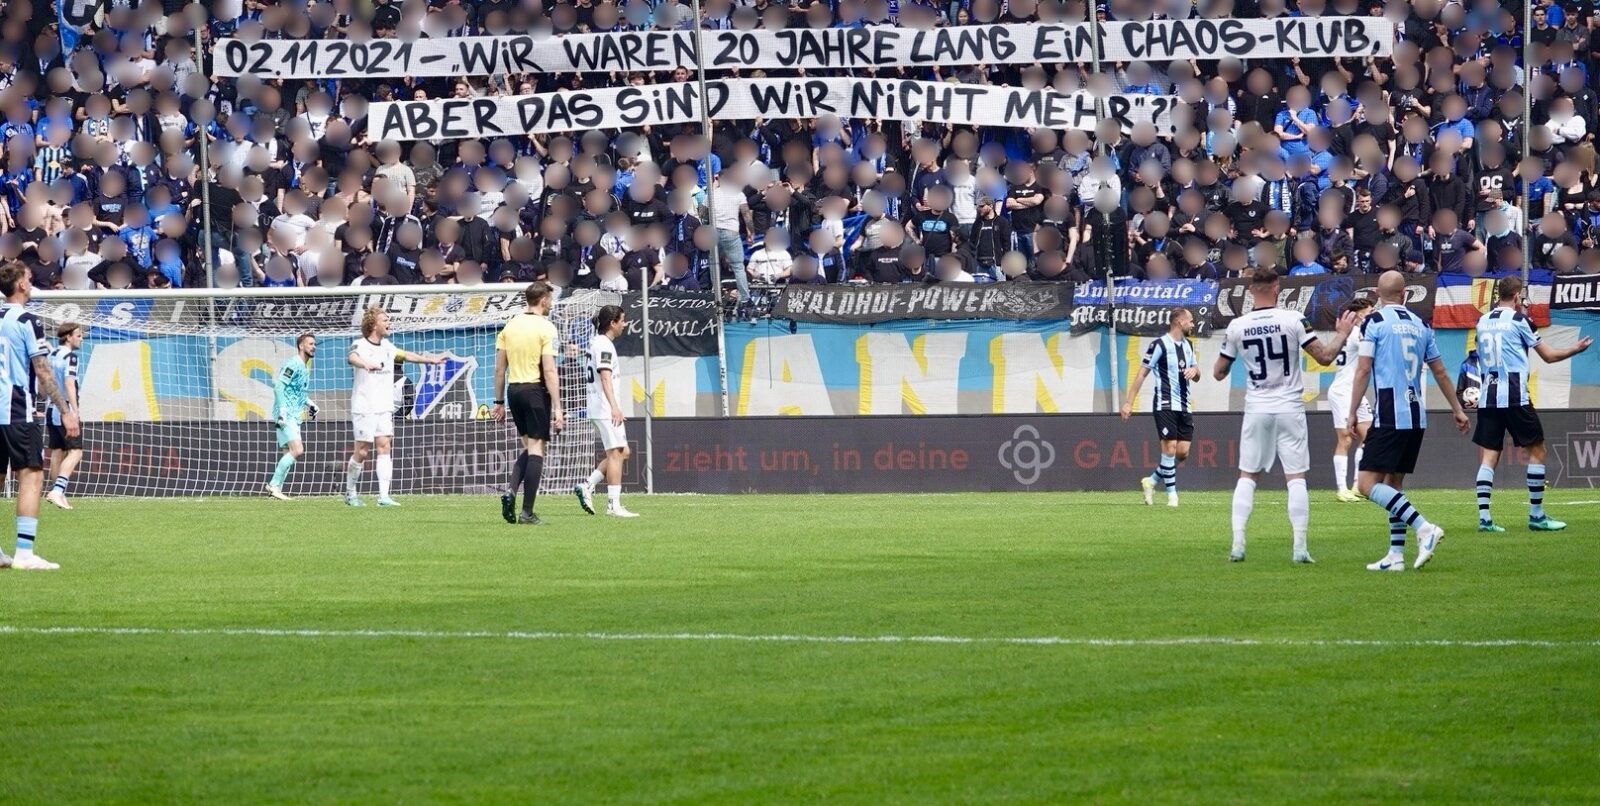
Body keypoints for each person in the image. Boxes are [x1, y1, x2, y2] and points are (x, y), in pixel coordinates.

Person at [1214, 268, 1356, 564]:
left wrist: (1234, 359)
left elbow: (1218, 372)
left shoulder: (1237, 326)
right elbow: (1325, 356)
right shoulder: (1293, 319)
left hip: (1257, 407)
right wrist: (1342, 334)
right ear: (1277, 288)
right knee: (1295, 478)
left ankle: (1238, 544)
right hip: (1289, 406)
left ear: (1251, 290)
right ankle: (1300, 548)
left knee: (1247, 475)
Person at [1346, 271, 1472, 572]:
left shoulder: (1374, 323)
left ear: (1377, 293)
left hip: (1390, 414)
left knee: (1366, 484)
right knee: (1394, 484)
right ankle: (1396, 555)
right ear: (1405, 294)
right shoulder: (1421, 325)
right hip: (1416, 414)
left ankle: (1424, 527)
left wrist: (1351, 411)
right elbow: (1440, 371)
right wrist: (1457, 408)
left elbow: (1364, 370)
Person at [1470, 276, 1593, 532]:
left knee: (1489, 456)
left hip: (1488, 397)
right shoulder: (1520, 321)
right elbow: (1547, 356)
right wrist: (1575, 349)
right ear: (1516, 296)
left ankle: (1485, 519)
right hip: (1515, 396)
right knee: (1537, 451)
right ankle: (1536, 516)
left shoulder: (1482, 321)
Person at [0, 261, 77, 570]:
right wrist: (65, 410)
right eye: (29, 279)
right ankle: (24, 553)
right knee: (31, 475)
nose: (31, 284)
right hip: (17, 408)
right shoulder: (28, 321)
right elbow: (42, 371)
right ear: (20, 284)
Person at [345, 308, 446, 507]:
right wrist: (365, 364)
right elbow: (352, 357)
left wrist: (430, 360)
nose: (389, 322)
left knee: (384, 447)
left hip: (384, 406)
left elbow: (406, 355)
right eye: (385, 320)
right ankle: (350, 493)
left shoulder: (388, 346)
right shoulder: (360, 344)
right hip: (365, 406)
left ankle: (383, 496)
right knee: (363, 451)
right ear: (374, 324)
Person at [492, 282, 563, 525]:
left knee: (529, 447)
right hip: (534, 391)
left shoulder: (510, 326)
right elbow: (550, 371)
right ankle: (527, 513)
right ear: (543, 299)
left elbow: (500, 369)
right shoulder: (546, 328)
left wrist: (498, 401)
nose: (551, 303)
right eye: (550, 299)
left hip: (514, 392)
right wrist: (558, 407)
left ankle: (511, 491)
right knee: (536, 450)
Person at [1121, 307, 1198, 508]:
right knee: (1170, 447)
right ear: (1180, 322)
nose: (1193, 324)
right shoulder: (1159, 345)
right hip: (1164, 403)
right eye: (1190, 320)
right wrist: (1129, 402)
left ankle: (1152, 480)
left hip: (1184, 404)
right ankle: (1172, 497)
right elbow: (1141, 374)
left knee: (1182, 453)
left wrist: (1195, 371)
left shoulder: (1188, 345)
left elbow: (1197, 374)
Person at [574, 305, 638, 518]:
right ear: (612, 323)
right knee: (616, 453)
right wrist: (615, 407)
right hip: (603, 406)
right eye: (622, 320)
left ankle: (587, 485)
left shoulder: (599, 343)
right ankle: (613, 505)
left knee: (623, 452)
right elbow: (604, 376)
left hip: (599, 405)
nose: (624, 324)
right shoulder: (603, 345)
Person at [1328, 298, 1375, 502]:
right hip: (1342, 391)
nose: (1372, 316)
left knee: (1369, 436)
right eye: (1369, 312)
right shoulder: (1356, 334)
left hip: (1355, 391)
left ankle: (1357, 484)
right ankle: (1342, 489)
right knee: (1345, 439)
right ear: (1359, 316)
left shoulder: (1350, 334)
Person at [265, 333, 318, 501]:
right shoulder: (294, 363)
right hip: (286, 414)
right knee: (298, 450)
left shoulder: (304, 366)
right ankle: (273, 485)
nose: (313, 346)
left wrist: (310, 404)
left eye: (314, 344)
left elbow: (297, 391)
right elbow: (279, 386)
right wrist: (282, 409)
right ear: (301, 346)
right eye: (310, 343)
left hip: (294, 415)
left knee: (288, 453)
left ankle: (276, 489)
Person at [44, 322, 85, 510]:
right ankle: (58, 490)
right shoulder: (71, 357)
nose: (81, 338)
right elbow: (69, 384)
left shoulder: (52, 354)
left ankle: (57, 493)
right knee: (76, 451)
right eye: (78, 335)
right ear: (68, 337)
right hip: (64, 411)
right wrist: (74, 412)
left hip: (50, 408)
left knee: (58, 451)